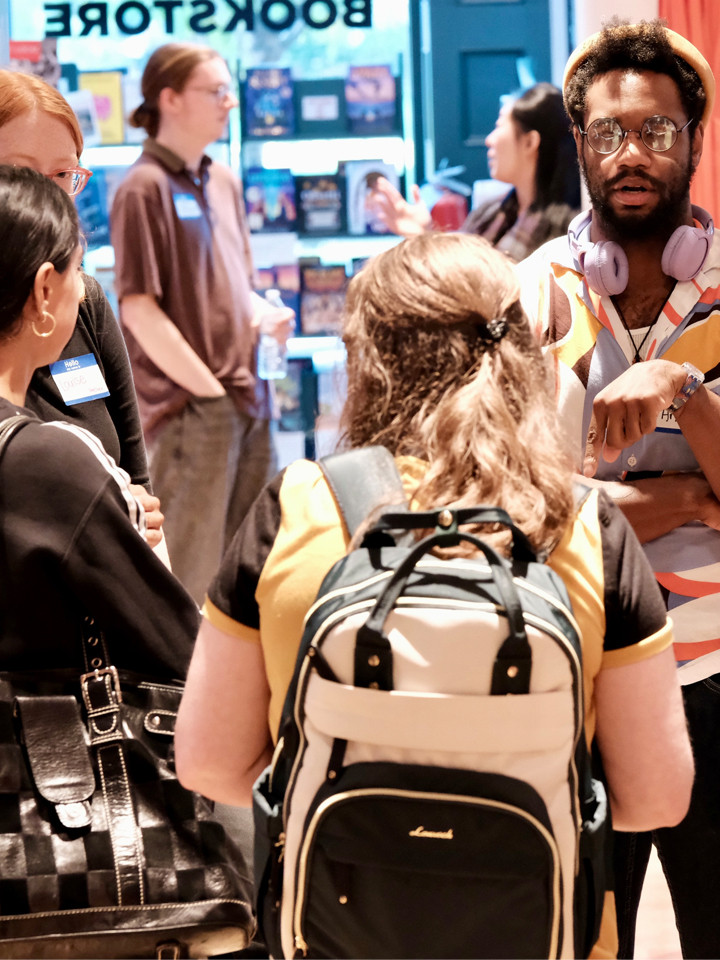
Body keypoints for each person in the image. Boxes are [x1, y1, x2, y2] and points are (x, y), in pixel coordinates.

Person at [175, 232, 693, 958]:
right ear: (522, 360)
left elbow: (207, 765)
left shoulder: (295, 507)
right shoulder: (585, 525)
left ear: (368, 362)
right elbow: (656, 798)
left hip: (336, 930)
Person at [517, 19, 720, 959]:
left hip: (717, 678)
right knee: (577, 941)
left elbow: (569, 498)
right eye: (607, 133)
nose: (630, 153)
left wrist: (680, 383)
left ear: (695, 140)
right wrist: (683, 501)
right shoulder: (533, 293)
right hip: (574, 668)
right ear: (581, 142)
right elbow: (523, 509)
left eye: (657, 130)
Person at [111, 43, 294, 605]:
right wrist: (207, 390)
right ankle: (184, 694)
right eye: (214, 91)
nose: (230, 102)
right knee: (189, 575)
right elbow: (138, 306)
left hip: (251, 396)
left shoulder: (224, 180)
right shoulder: (141, 187)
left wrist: (265, 315)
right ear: (169, 98)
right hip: (195, 409)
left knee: (257, 566)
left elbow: (235, 287)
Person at [0, 162, 197, 681]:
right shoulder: (53, 459)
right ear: (45, 290)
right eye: (76, 273)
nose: (84, 294)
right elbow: (178, 647)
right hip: (44, 753)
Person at [0, 69, 164, 546]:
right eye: (23, 174)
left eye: (63, 175)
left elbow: (142, 494)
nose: (49, 196)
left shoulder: (84, 299)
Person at [367, 82, 581, 261]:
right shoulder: (489, 214)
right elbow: (460, 277)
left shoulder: (570, 233)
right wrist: (422, 234)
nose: (489, 140)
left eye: (499, 126)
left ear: (529, 142)